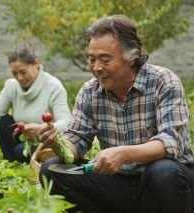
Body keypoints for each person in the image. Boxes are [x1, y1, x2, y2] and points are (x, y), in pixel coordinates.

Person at [38, 15, 194, 213]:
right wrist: (57, 143)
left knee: (163, 171)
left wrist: (123, 154)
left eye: (105, 59)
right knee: (51, 170)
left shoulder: (164, 81)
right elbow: (76, 140)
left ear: (131, 58)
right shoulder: (89, 91)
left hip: (166, 183)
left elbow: (170, 141)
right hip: (120, 183)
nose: (96, 68)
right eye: (92, 59)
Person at [0, 42, 71, 163]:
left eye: (23, 72)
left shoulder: (54, 87)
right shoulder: (11, 86)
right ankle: (12, 163)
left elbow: (66, 123)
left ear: (36, 63)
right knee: (3, 120)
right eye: (14, 73)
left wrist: (41, 129)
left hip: (43, 143)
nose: (19, 78)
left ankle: (26, 160)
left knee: (20, 150)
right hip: (21, 140)